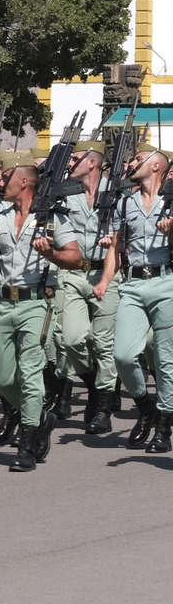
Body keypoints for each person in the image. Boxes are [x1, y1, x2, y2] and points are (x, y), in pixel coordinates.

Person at [0, 150, 79, 471]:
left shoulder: (53, 218)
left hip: (37, 302)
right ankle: (39, 417)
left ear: (23, 180)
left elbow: (75, 258)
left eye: (4, 175)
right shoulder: (0, 217)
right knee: (1, 375)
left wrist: (50, 253)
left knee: (29, 371)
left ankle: (26, 445)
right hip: (2, 302)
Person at [50, 140, 119, 435]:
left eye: (75, 158)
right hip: (73, 274)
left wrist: (114, 240)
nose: (69, 163)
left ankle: (103, 407)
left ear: (92, 162)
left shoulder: (117, 192)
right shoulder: (65, 193)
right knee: (71, 339)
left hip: (107, 272)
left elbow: (126, 231)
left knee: (103, 344)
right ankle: (93, 384)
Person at [113, 143, 173, 452]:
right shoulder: (125, 204)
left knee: (165, 360)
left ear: (155, 166)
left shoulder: (172, 200)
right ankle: (146, 407)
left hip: (166, 282)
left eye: (137, 159)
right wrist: (104, 279)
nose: (130, 163)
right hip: (133, 284)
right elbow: (115, 248)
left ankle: (164, 426)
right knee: (123, 355)